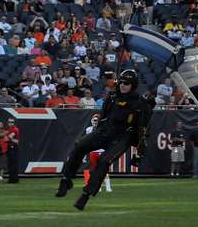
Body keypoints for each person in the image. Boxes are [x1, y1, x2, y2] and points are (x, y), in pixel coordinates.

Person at [55, 69, 152, 210]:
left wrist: (139, 153)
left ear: (133, 85)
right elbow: (103, 116)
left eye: (127, 83)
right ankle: (66, 179)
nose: (123, 85)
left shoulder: (140, 104)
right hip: (105, 131)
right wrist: (97, 131)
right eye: (121, 82)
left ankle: (86, 194)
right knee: (79, 146)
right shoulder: (112, 97)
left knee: (104, 161)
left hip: (122, 137)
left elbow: (143, 130)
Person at [83, 114, 112, 193]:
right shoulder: (88, 129)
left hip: (102, 151)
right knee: (95, 171)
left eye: (96, 120)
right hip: (93, 152)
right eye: (94, 120)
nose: (95, 122)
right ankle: (97, 186)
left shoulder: (104, 129)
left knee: (103, 170)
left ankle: (108, 186)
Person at [5, 117, 20, 184]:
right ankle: (12, 178)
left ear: (14, 123)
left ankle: (13, 179)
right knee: (11, 164)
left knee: (13, 164)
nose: (10, 123)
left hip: (13, 147)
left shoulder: (15, 129)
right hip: (10, 147)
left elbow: (8, 138)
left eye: (12, 122)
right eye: (9, 122)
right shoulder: (9, 129)